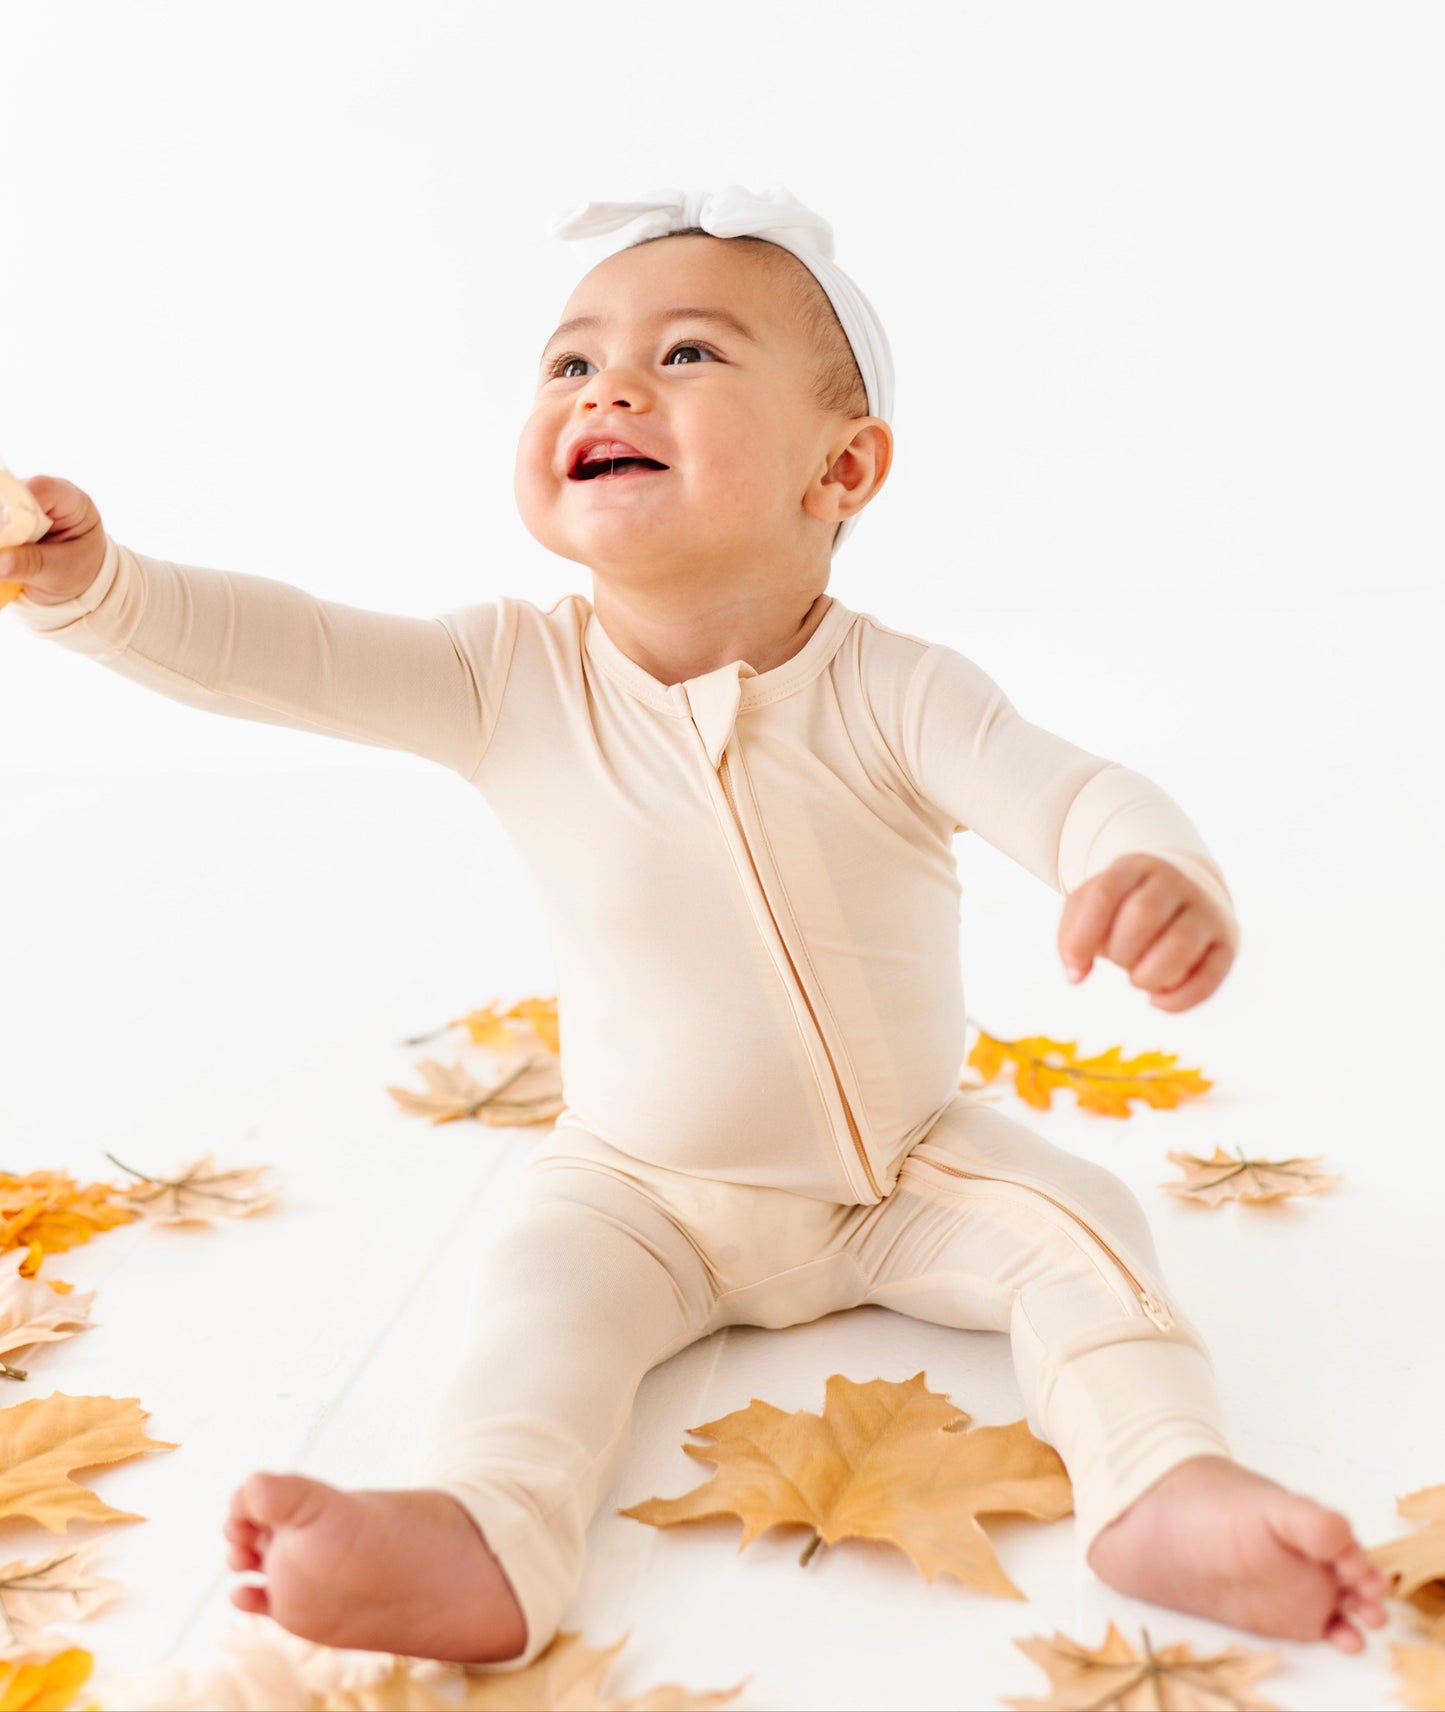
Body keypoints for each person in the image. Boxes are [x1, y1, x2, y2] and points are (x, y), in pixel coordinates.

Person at [1, 185, 1390, 1673]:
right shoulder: (502, 676)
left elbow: (1073, 794)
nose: (606, 384)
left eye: (687, 356)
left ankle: (1160, 1488)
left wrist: (1148, 868)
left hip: (904, 1166)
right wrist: (99, 589)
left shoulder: (898, 690)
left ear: (841, 468)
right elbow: (288, 649)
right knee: (532, 1306)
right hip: (635, 1183)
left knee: (1088, 1239)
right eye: (569, 360)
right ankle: (481, 1531)